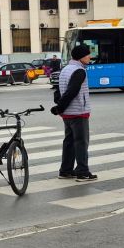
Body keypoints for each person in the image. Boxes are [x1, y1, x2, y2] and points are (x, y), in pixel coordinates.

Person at [51, 44, 97, 182]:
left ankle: (65, 171)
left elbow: (58, 91)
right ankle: (82, 172)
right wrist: (60, 107)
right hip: (78, 112)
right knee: (81, 143)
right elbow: (72, 91)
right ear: (81, 57)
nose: (90, 57)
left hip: (67, 114)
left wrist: (60, 107)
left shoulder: (65, 69)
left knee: (69, 142)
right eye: (88, 54)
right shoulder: (79, 71)